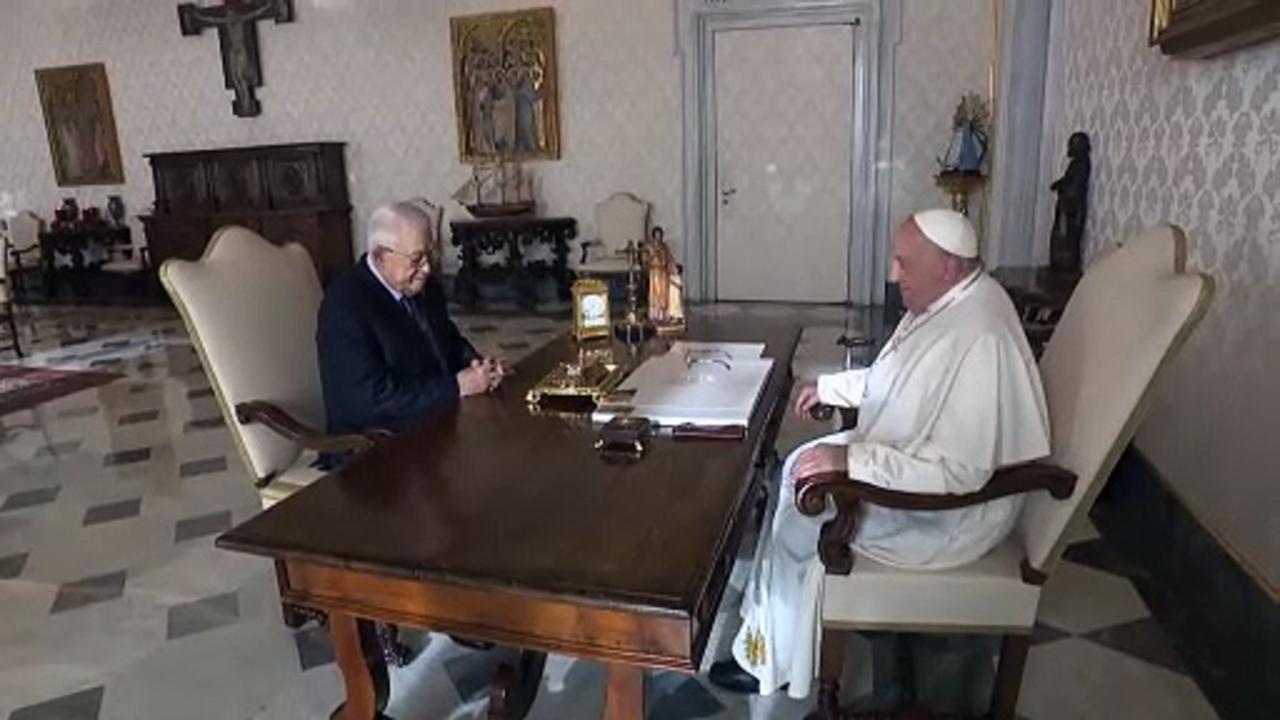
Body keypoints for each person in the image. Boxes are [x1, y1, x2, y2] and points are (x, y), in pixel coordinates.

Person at [709, 209, 1051, 698]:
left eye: (903, 263)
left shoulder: (981, 337)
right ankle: (766, 641)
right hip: (910, 464)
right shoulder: (950, 301)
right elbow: (898, 380)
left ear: (949, 265)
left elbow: (958, 470)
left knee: (800, 509)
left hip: (948, 517)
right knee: (796, 472)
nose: (893, 275)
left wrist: (850, 463)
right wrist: (831, 387)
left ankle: (775, 663)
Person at [316, 201, 505, 458]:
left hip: (431, 428)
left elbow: (446, 340)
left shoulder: (421, 285)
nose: (426, 269)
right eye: (417, 259)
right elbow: (371, 401)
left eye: (429, 255)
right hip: (370, 450)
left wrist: (477, 365)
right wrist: (457, 387)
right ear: (381, 256)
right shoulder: (345, 306)